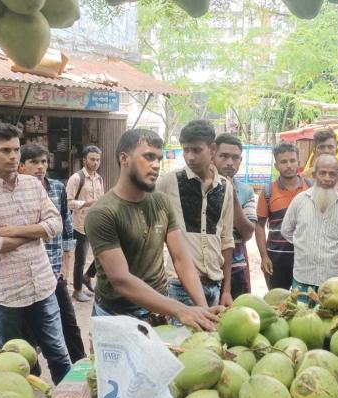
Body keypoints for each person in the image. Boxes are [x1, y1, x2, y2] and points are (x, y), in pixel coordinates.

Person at [0, 123, 71, 384]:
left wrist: (12, 230)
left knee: (58, 355)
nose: (13, 156)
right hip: (6, 296)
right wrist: (35, 233)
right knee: (16, 365)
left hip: (43, 287)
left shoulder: (33, 186)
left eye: (16, 149)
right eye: (5, 150)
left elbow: (55, 226)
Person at [85, 129, 220, 330]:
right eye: (148, 157)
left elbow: (181, 258)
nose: (156, 165)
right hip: (116, 317)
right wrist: (180, 309)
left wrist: (202, 309)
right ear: (124, 159)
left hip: (157, 314)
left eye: (159, 158)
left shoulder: (161, 202)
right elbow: (121, 279)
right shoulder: (102, 213)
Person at [156, 120, 235, 307]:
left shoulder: (225, 187)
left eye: (196, 150)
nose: (190, 157)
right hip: (179, 285)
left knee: (210, 337)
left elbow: (227, 240)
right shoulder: (169, 182)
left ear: (212, 149)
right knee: (182, 336)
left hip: (214, 285)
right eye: (186, 150)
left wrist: (226, 290)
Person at [19, 143, 85, 364]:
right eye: (34, 162)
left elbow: (67, 226)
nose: (40, 167)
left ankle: (80, 364)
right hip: (29, 272)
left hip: (55, 269)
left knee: (68, 320)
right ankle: (30, 370)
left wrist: (67, 263)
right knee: (29, 326)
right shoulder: (18, 192)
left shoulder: (57, 188)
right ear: (22, 167)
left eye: (44, 162)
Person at [281, 155, 338, 296]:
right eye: (322, 173)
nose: (327, 178)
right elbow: (286, 230)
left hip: (333, 279)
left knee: (331, 316)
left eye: (332, 174)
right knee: (300, 316)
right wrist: (302, 243)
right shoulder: (300, 201)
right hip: (303, 276)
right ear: (314, 174)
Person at [255, 142, 310, 290]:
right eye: (283, 161)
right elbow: (259, 226)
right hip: (276, 259)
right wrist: (264, 257)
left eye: (292, 160)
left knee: (305, 303)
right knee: (278, 303)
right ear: (276, 165)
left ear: (299, 162)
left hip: (307, 258)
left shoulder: (311, 188)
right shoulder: (268, 192)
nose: (289, 165)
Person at [213, 134, 257, 299]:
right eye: (224, 156)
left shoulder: (246, 191)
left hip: (236, 267)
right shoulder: (200, 188)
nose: (230, 162)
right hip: (205, 269)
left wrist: (233, 197)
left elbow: (248, 233)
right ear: (212, 155)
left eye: (235, 157)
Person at [66, 145, 105, 302]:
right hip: (80, 224)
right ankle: (77, 290)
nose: (95, 162)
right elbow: (68, 202)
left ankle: (88, 277)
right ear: (84, 160)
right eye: (92, 159)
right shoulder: (76, 178)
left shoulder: (99, 178)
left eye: (98, 159)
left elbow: (101, 200)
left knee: (103, 254)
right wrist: (87, 203)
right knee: (80, 260)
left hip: (96, 223)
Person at [301, 127, 338, 194]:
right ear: (314, 151)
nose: (326, 151)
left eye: (330, 147)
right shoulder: (305, 177)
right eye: (321, 147)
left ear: (336, 151)